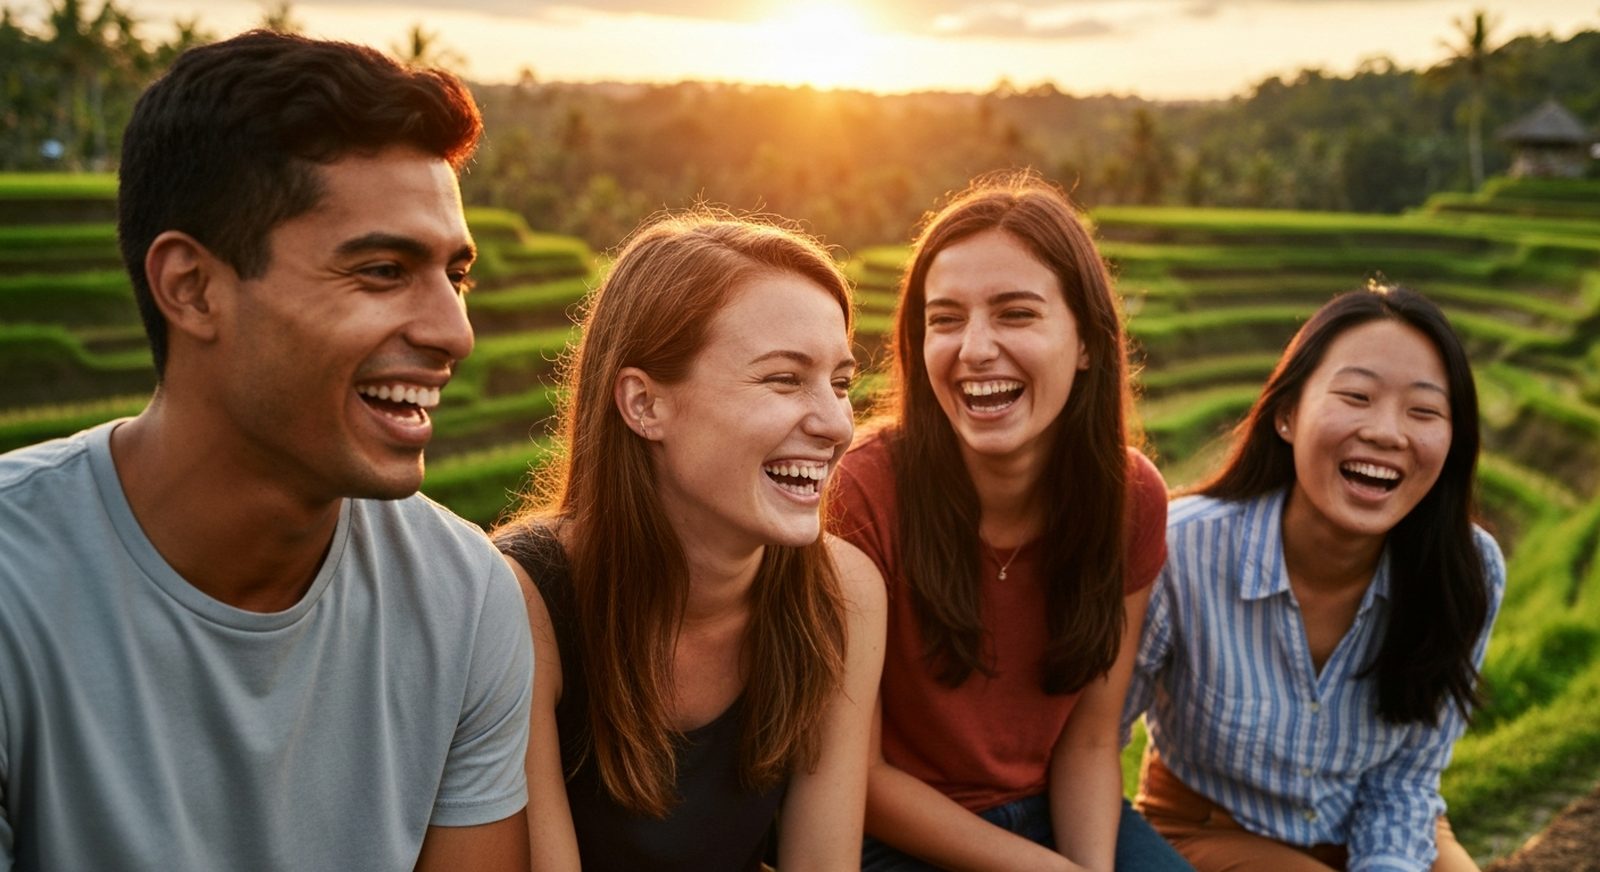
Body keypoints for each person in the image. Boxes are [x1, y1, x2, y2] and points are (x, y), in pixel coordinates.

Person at [0, 31, 532, 871]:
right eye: (384, 270)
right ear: (193, 287)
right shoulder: (14, 590)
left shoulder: (465, 603)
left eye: (455, 276)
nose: (453, 331)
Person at [492, 212, 887, 871]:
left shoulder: (845, 595)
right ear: (644, 404)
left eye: (841, 383)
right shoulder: (518, 606)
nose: (837, 423)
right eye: (785, 379)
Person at [830, 170, 1191, 871]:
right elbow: (860, 776)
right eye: (945, 319)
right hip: (898, 832)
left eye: (1016, 314)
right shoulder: (864, 493)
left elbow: (1089, 741)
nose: (974, 349)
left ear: (1086, 342)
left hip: (1055, 812)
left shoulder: (1129, 499)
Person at [1121, 285, 1504, 872]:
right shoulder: (1183, 548)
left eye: (1423, 411)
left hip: (1378, 823)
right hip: (1207, 828)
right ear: (1286, 415)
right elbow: (1095, 737)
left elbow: (1406, 782)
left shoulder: (1468, 569)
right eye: (1356, 397)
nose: (1386, 432)